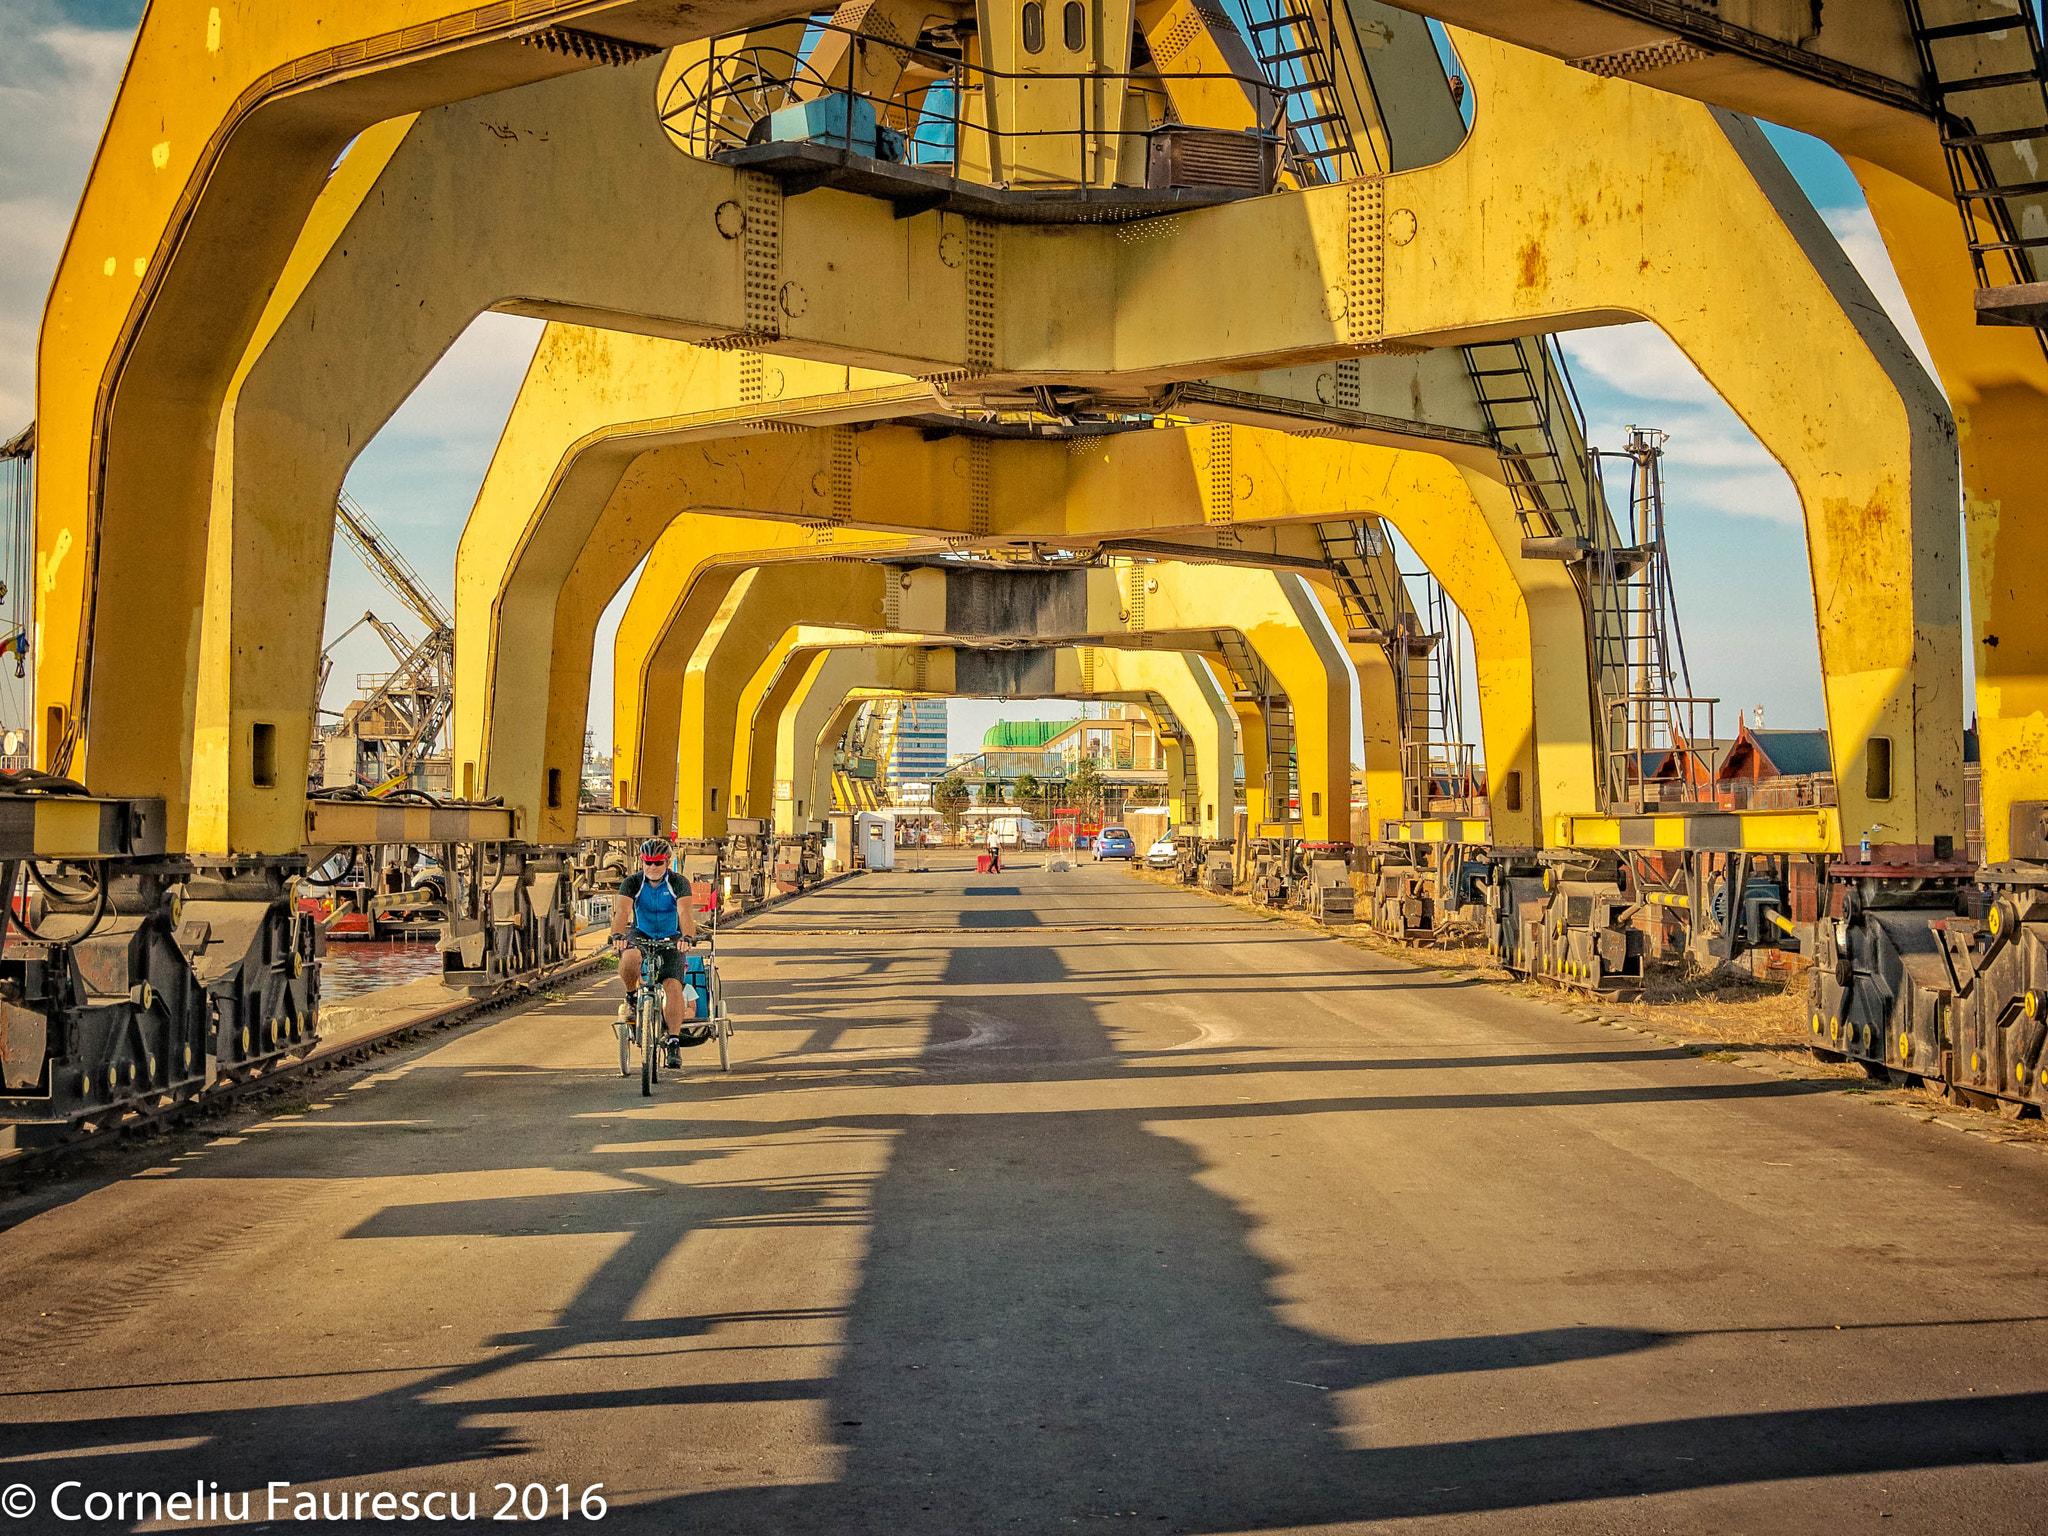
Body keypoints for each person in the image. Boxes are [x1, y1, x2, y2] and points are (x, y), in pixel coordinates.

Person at [610, 837, 699, 1061]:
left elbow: (685, 913)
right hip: (641, 933)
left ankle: (673, 1041)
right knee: (629, 957)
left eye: (658, 863)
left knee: (673, 985)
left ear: (667, 862)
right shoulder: (632, 882)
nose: (652, 867)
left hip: (672, 937)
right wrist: (617, 935)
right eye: (647, 862)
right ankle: (631, 996)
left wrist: (687, 936)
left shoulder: (678, 882)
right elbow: (622, 912)